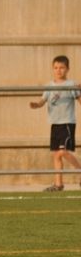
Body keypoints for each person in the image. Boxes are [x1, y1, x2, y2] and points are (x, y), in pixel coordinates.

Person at [29, 55, 81, 191]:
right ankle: (58, 184)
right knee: (56, 154)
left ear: (67, 69)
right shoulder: (49, 86)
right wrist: (36, 105)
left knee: (63, 152)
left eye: (62, 68)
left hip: (67, 123)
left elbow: (79, 99)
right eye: (56, 68)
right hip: (55, 124)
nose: (59, 70)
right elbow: (42, 101)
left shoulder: (71, 85)